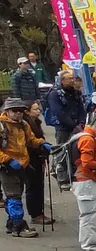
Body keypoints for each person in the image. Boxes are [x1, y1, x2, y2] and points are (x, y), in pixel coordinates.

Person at [0, 98, 44, 237]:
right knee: (14, 197)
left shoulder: (23, 124)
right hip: (7, 167)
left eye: (21, 111)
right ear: (7, 111)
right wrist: (8, 160)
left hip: (22, 165)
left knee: (15, 195)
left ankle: (11, 222)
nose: (18, 114)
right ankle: (19, 227)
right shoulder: (1, 126)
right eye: (15, 111)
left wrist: (42, 144)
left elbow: (31, 140)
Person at [69, 116, 96, 251]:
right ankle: (89, 247)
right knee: (89, 215)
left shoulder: (86, 136)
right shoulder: (88, 139)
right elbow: (87, 163)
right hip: (84, 180)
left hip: (85, 179)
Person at [44, 69, 84, 188]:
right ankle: (62, 177)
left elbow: (81, 108)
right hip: (63, 126)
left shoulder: (76, 93)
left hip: (77, 125)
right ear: (62, 80)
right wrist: (72, 125)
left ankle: (72, 173)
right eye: (69, 79)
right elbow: (58, 112)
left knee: (74, 151)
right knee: (62, 150)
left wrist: (81, 123)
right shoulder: (55, 94)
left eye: (72, 78)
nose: (72, 81)